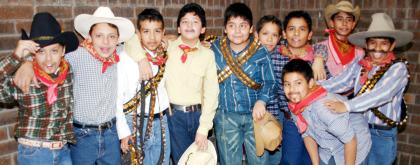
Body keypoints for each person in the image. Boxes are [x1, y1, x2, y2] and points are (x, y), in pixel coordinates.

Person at [13, 6, 136, 164]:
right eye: (99, 35)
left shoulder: (118, 54)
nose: (106, 42)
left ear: (118, 40)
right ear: (89, 37)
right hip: (82, 135)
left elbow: (138, 43)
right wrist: (28, 63)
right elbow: (50, 60)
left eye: (112, 36)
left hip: (110, 133)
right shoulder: (75, 56)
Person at [321, 13, 413, 165]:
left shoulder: (398, 68)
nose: (377, 48)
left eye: (384, 43)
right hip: (358, 128)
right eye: (373, 42)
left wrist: (346, 105)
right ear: (366, 44)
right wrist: (314, 86)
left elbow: (381, 94)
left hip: (382, 134)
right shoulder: (360, 63)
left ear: (392, 45)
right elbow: (341, 81)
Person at [0, 12, 78, 165]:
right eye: (41, 51)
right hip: (35, 154)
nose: (48, 59)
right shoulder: (24, 77)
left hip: (64, 151)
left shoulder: (68, 71)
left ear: (63, 51)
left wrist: (27, 62)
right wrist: (17, 58)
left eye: (54, 51)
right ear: (33, 53)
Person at [211, 3, 276, 164]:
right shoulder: (214, 49)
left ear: (251, 29)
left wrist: (262, 101)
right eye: (232, 26)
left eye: (243, 26)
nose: (237, 31)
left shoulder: (260, 52)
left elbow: (270, 82)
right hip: (225, 114)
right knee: (229, 160)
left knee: (259, 159)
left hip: (256, 116)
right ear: (225, 29)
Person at [283, 59, 371, 165]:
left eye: (298, 83)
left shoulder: (323, 108)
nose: (292, 89)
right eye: (287, 84)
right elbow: (307, 134)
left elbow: (350, 140)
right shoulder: (295, 106)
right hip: (328, 147)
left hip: (355, 147)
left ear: (310, 83)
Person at [117, 8, 171, 165]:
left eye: (157, 31)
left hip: (161, 121)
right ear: (138, 34)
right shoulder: (125, 57)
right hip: (135, 122)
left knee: (163, 162)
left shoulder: (164, 55)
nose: (152, 37)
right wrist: (123, 132)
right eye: (146, 31)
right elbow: (117, 98)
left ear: (163, 33)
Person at [279, 10, 329, 165]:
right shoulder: (276, 55)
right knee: (290, 160)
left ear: (309, 34)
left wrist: (319, 57)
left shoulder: (316, 61)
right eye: (291, 29)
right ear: (284, 33)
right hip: (289, 119)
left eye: (302, 29)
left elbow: (326, 88)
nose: (296, 33)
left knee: (310, 160)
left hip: (314, 120)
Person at [254, 15, 284, 165]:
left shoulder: (282, 57)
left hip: (275, 114)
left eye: (274, 35)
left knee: (275, 154)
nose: (269, 39)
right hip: (255, 115)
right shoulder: (250, 57)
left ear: (280, 37)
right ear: (256, 34)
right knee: (259, 156)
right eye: (265, 34)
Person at [315, 0, 364, 78]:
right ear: (332, 23)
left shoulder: (360, 52)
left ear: (353, 25)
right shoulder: (319, 48)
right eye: (340, 19)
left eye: (349, 20)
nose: (344, 23)